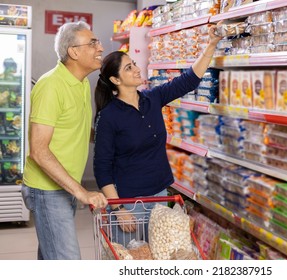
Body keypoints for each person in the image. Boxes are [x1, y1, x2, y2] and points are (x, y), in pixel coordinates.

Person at [93, 23, 223, 246]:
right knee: (131, 259)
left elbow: (190, 80)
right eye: (127, 68)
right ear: (115, 80)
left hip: (161, 195)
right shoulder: (109, 117)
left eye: (133, 63)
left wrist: (211, 44)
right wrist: (118, 209)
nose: (136, 69)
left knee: (160, 256)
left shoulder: (152, 99)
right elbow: (102, 168)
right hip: (130, 203)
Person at [22, 21, 108, 260]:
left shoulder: (80, 83)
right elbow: (38, 150)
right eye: (93, 43)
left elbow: (74, 127)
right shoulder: (51, 85)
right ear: (74, 52)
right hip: (47, 190)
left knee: (51, 255)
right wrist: (82, 192)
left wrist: (109, 139)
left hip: (65, 184)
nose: (100, 47)